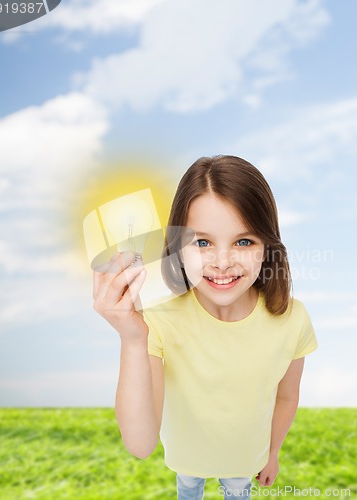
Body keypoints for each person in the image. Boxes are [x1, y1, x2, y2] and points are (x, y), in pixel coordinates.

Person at [93, 155, 318, 500]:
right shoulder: (156, 324)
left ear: (267, 246)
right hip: (186, 458)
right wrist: (133, 339)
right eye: (202, 242)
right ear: (176, 248)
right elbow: (140, 444)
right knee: (189, 486)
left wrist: (272, 453)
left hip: (246, 461)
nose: (223, 262)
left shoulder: (293, 318)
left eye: (244, 241)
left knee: (237, 489)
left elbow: (287, 396)